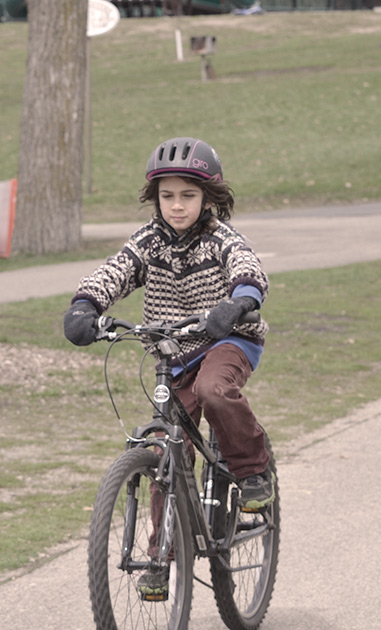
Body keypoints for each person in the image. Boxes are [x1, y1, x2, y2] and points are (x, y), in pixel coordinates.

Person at [63, 137, 274, 511]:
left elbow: (247, 268)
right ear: (155, 198)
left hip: (227, 340)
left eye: (188, 196)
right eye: (167, 196)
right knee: (164, 447)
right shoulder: (149, 242)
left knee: (212, 390)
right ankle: (163, 558)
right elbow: (115, 271)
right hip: (173, 352)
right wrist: (85, 305)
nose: (176, 205)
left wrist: (239, 301)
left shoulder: (220, 239)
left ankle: (252, 470)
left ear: (208, 198)